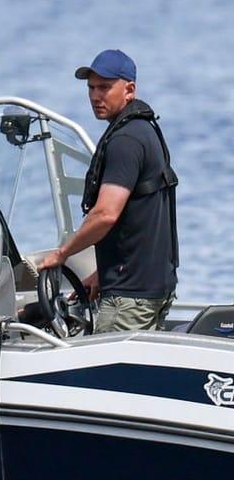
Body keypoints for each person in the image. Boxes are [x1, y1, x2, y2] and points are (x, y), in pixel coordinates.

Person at [36, 49, 179, 333]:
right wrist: (102, 273)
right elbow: (141, 216)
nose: (95, 96)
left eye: (104, 87)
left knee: (108, 377)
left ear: (129, 89)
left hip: (130, 297)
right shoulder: (145, 131)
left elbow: (105, 215)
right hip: (153, 286)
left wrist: (62, 254)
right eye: (91, 88)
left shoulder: (124, 140)